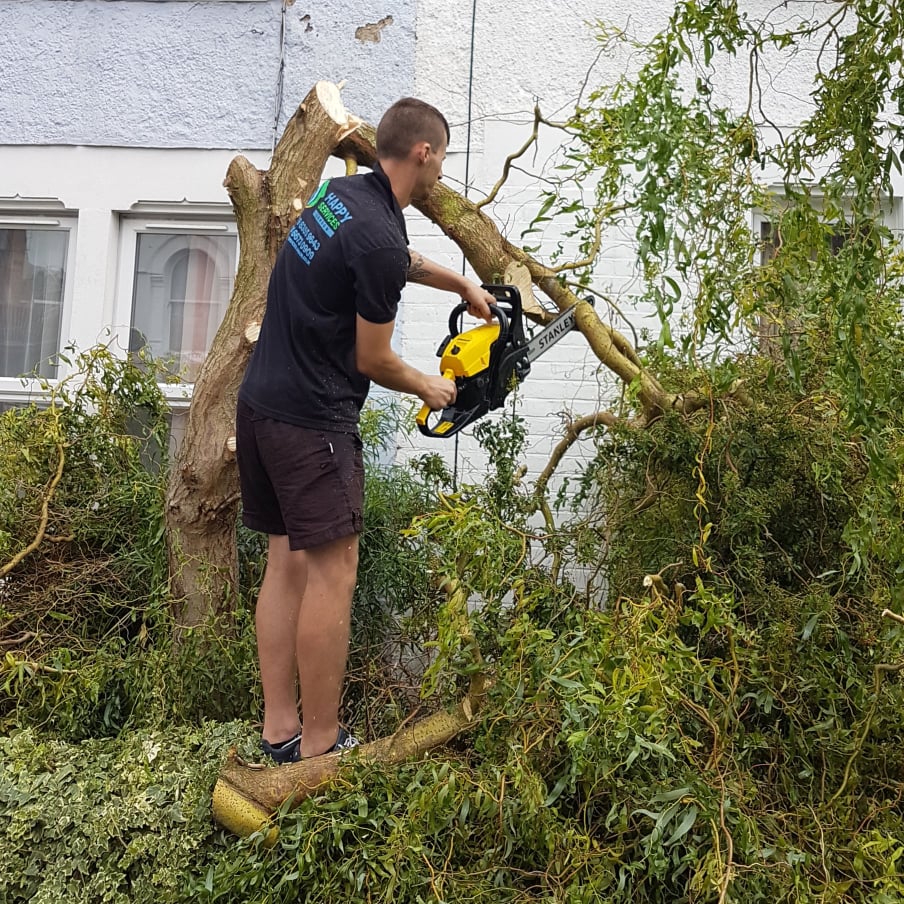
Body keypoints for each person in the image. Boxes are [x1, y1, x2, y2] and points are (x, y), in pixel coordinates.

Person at [235, 97, 494, 763]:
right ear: (423, 154)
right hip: (311, 422)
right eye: (441, 162)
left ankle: (279, 730)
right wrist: (432, 385)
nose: (439, 177)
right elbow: (371, 359)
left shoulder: (343, 194)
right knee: (334, 573)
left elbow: (392, 258)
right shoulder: (377, 233)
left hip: (262, 404)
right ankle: (323, 742)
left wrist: (460, 284)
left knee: (286, 564)